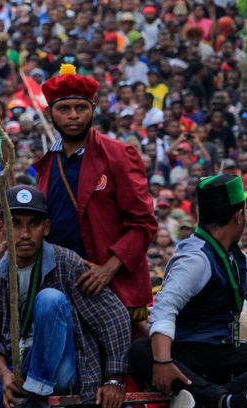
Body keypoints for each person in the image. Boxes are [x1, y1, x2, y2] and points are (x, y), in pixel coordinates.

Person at [0, 185, 131, 408]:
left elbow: (114, 317)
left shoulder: (66, 263)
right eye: (15, 224)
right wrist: (4, 375)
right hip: (17, 368)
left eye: (33, 223)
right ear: (2, 228)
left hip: (63, 371)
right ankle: (25, 390)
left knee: (49, 299)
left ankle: (37, 397)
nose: (25, 234)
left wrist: (115, 378)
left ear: (46, 227)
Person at [129, 174, 247, 408]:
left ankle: (210, 399)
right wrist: (163, 363)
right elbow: (164, 309)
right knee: (140, 351)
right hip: (188, 353)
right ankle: (225, 400)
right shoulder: (195, 258)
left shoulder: (235, 256)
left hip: (224, 351)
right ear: (239, 216)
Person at [32, 65, 157, 337]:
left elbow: (144, 224)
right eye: (64, 109)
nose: (74, 115)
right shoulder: (46, 165)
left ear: (93, 109)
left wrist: (107, 269)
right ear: (49, 114)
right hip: (63, 286)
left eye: (81, 107)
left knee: (130, 364)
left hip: (110, 285)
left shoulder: (120, 155)